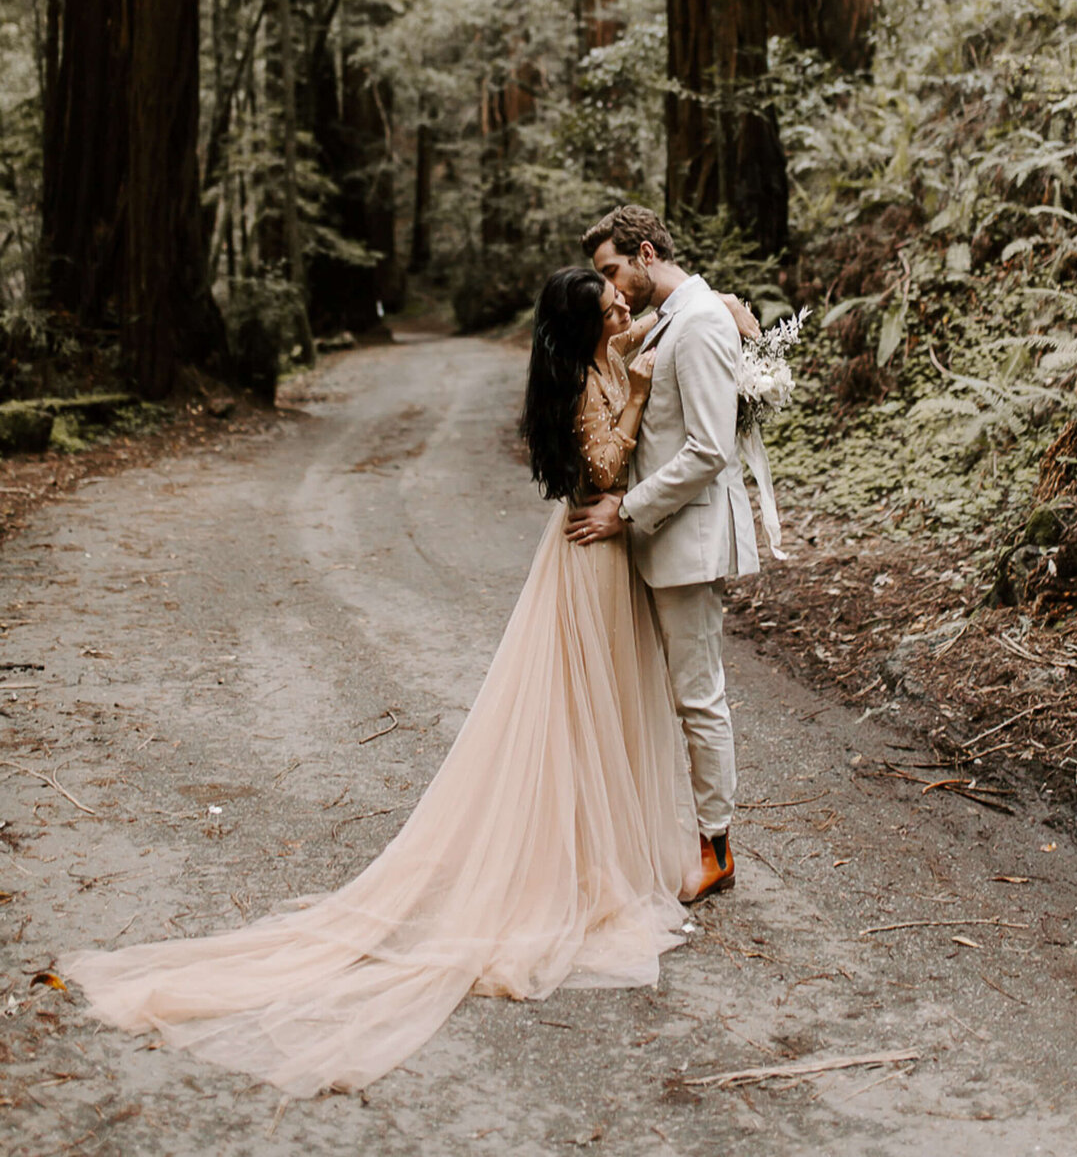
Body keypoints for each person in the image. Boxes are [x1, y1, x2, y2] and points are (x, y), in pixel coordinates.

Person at [58, 265, 718, 1098]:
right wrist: (637, 393)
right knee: (579, 711)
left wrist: (711, 313)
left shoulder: (603, 348)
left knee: (608, 707)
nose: (623, 301)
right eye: (609, 301)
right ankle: (581, 870)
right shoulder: (590, 379)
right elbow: (603, 462)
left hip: (597, 554)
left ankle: (606, 851)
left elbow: (670, 324)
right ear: (585, 325)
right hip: (593, 548)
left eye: (620, 293)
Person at [567, 205, 759, 904]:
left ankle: (717, 849)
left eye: (613, 270)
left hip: (687, 538)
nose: (610, 289)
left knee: (697, 697)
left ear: (645, 254)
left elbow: (709, 448)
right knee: (671, 694)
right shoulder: (683, 313)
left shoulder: (700, 320)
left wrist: (628, 506)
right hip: (661, 538)